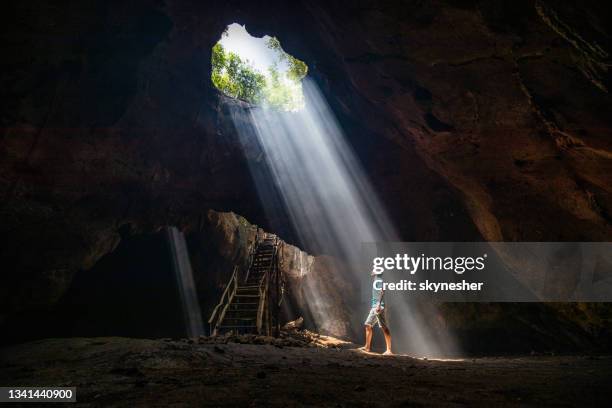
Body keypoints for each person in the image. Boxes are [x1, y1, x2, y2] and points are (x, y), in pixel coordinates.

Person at [361, 270, 392, 355]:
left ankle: (389, 350)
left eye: (374, 270)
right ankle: (367, 347)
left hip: (379, 306)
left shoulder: (379, 280)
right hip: (375, 306)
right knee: (368, 324)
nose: (372, 271)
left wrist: (379, 304)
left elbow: (382, 291)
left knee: (384, 327)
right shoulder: (376, 280)